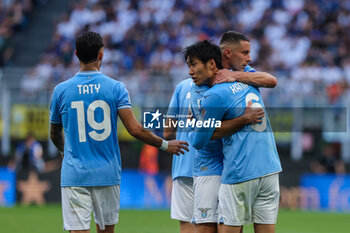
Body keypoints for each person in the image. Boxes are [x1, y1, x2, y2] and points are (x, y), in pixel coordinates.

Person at [49, 31, 189, 233]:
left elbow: (54, 133)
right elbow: (135, 129)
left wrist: (64, 151)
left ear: (76, 53)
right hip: (107, 173)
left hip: (75, 174)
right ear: (101, 55)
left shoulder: (61, 90)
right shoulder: (116, 88)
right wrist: (166, 145)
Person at [186, 40, 282, 233]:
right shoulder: (248, 80)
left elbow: (198, 141)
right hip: (270, 167)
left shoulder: (213, 94)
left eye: (193, 64)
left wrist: (198, 124)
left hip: (239, 170)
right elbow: (271, 81)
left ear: (212, 63)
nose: (190, 71)